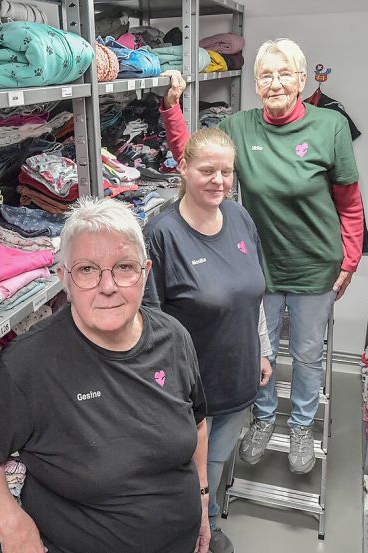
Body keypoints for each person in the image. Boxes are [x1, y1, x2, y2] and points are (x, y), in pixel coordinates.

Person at [0, 197, 212, 553]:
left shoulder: (173, 337)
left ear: (145, 273)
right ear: (63, 279)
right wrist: (13, 525)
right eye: (87, 270)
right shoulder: (30, 363)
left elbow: (196, 423)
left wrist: (203, 500)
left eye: (124, 267)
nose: (108, 285)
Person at [159, 37, 364, 475]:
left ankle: (303, 425)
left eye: (285, 73)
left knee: (308, 354)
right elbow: (191, 159)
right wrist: (171, 109)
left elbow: (349, 200)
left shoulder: (331, 126)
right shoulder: (240, 126)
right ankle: (265, 418)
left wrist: (349, 260)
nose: (275, 83)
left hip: (314, 265)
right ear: (255, 83)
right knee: (258, 348)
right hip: (257, 268)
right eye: (266, 75)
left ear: (302, 80)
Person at [143, 127, 271, 553]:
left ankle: (208, 526)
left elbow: (253, 293)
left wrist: (263, 349)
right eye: (207, 170)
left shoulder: (240, 217)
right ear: (184, 168)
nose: (219, 180)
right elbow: (150, 321)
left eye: (227, 172)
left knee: (213, 467)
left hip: (239, 376)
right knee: (183, 473)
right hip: (187, 391)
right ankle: (184, 535)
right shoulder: (162, 233)